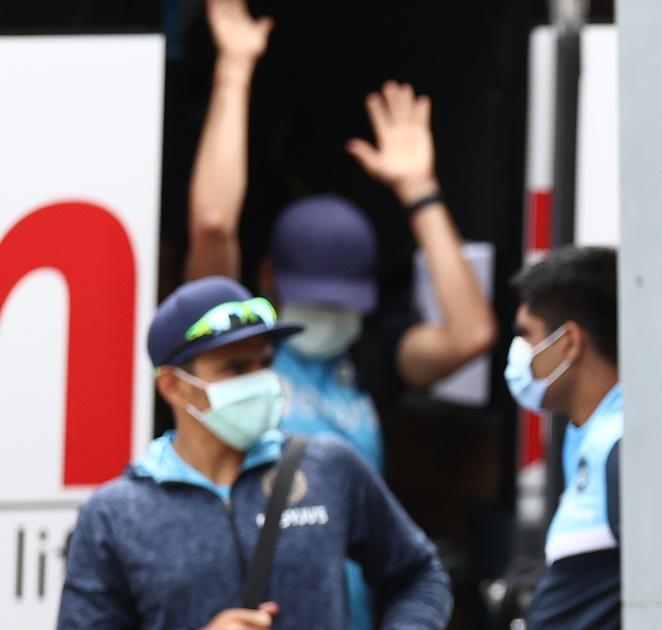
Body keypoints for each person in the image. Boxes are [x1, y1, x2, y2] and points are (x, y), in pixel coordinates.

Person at [186, 2, 495, 626]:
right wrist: (234, 72)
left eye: (338, 302)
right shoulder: (233, 347)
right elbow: (214, 224)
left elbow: (471, 333)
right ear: (268, 279)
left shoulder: (369, 355)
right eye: (312, 297)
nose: (325, 316)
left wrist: (420, 191)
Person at [57, 276, 453, 630]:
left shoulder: (329, 467)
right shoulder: (115, 516)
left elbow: (420, 574)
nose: (260, 380)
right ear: (174, 387)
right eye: (235, 367)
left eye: (265, 362)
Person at [504, 247, 621, 629]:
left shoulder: (621, 447)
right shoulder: (590, 436)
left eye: (527, 335)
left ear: (569, 342)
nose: (518, 354)